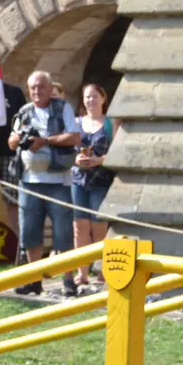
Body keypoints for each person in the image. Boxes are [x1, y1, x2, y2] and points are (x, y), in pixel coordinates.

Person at [8, 70, 83, 296]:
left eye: (41, 87)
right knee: (30, 232)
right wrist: (18, 139)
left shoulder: (63, 108)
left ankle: (68, 280)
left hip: (58, 182)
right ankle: (34, 279)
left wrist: (45, 141)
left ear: (50, 89)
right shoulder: (24, 112)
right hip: (29, 181)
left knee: (63, 233)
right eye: (32, 88)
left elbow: (74, 137)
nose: (37, 92)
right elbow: (12, 141)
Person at [71, 83, 115, 286]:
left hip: (100, 180)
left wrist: (99, 160)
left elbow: (117, 152)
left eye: (95, 96)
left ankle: (101, 270)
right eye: (87, 97)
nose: (91, 100)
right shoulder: (76, 122)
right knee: (79, 227)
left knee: (99, 227)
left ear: (103, 98)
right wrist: (76, 160)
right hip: (78, 180)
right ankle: (82, 272)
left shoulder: (110, 123)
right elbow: (68, 150)